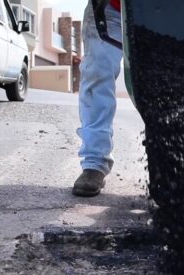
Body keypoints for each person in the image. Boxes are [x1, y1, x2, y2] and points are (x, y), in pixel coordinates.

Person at [73, 0, 122, 197]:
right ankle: (95, 162)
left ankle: (172, 163)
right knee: (97, 74)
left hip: (173, 9)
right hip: (111, 8)